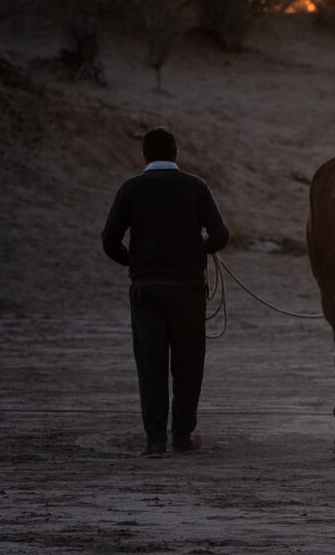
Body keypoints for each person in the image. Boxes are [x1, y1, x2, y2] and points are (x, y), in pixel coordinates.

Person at [101, 127, 229, 458]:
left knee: (150, 363)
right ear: (176, 155)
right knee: (188, 365)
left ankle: (155, 440)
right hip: (186, 288)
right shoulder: (195, 186)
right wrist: (198, 251)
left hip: (145, 289)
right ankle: (182, 436)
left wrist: (136, 262)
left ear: (143, 156)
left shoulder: (131, 188)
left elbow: (109, 239)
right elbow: (220, 235)